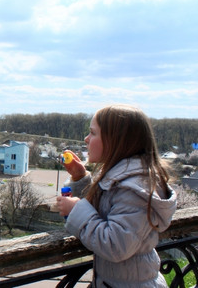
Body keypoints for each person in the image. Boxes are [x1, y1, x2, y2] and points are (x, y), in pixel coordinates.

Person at [56, 104, 177, 287]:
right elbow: (109, 205)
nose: (86, 139)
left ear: (116, 141)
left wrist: (76, 210)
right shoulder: (129, 180)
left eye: (93, 133)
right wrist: (81, 178)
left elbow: (116, 245)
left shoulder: (136, 190)